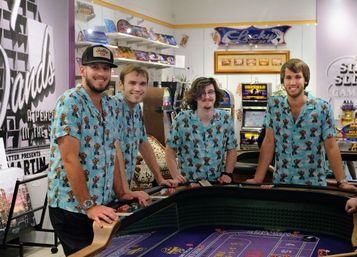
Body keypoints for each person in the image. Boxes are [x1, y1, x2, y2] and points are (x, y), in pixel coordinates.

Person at [47, 45, 148, 256]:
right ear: (83, 70)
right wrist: (89, 206)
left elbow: (113, 152)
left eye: (106, 68)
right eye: (95, 67)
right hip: (71, 207)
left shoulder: (110, 106)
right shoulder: (70, 102)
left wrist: (123, 192)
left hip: (101, 203)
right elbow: (69, 159)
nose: (101, 73)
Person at [246, 58, 356, 190]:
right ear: (283, 81)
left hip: (314, 186)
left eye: (298, 77)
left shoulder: (322, 107)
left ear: (306, 80)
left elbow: (331, 146)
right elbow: (269, 142)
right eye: (288, 77)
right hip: (282, 183)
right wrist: (258, 178)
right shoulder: (274, 106)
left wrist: (342, 181)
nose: (292, 82)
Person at [165, 77, 237, 186]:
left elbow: (232, 148)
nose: (207, 96)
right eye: (202, 93)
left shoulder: (226, 119)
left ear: (216, 94)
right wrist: (176, 177)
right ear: (194, 96)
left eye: (210, 92)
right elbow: (170, 151)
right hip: (188, 185)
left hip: (216, 184)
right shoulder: (181, 119)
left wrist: (228, 173)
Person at [113, 64, 175, 188]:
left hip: (124, 186)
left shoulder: (136, 109)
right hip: (110, 186)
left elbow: (143, 143)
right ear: (121, 85)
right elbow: (114, 149)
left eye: (142, 84)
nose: (137, 88)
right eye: (132, 83)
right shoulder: (113, 107)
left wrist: (159, 178)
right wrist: (124, 190)